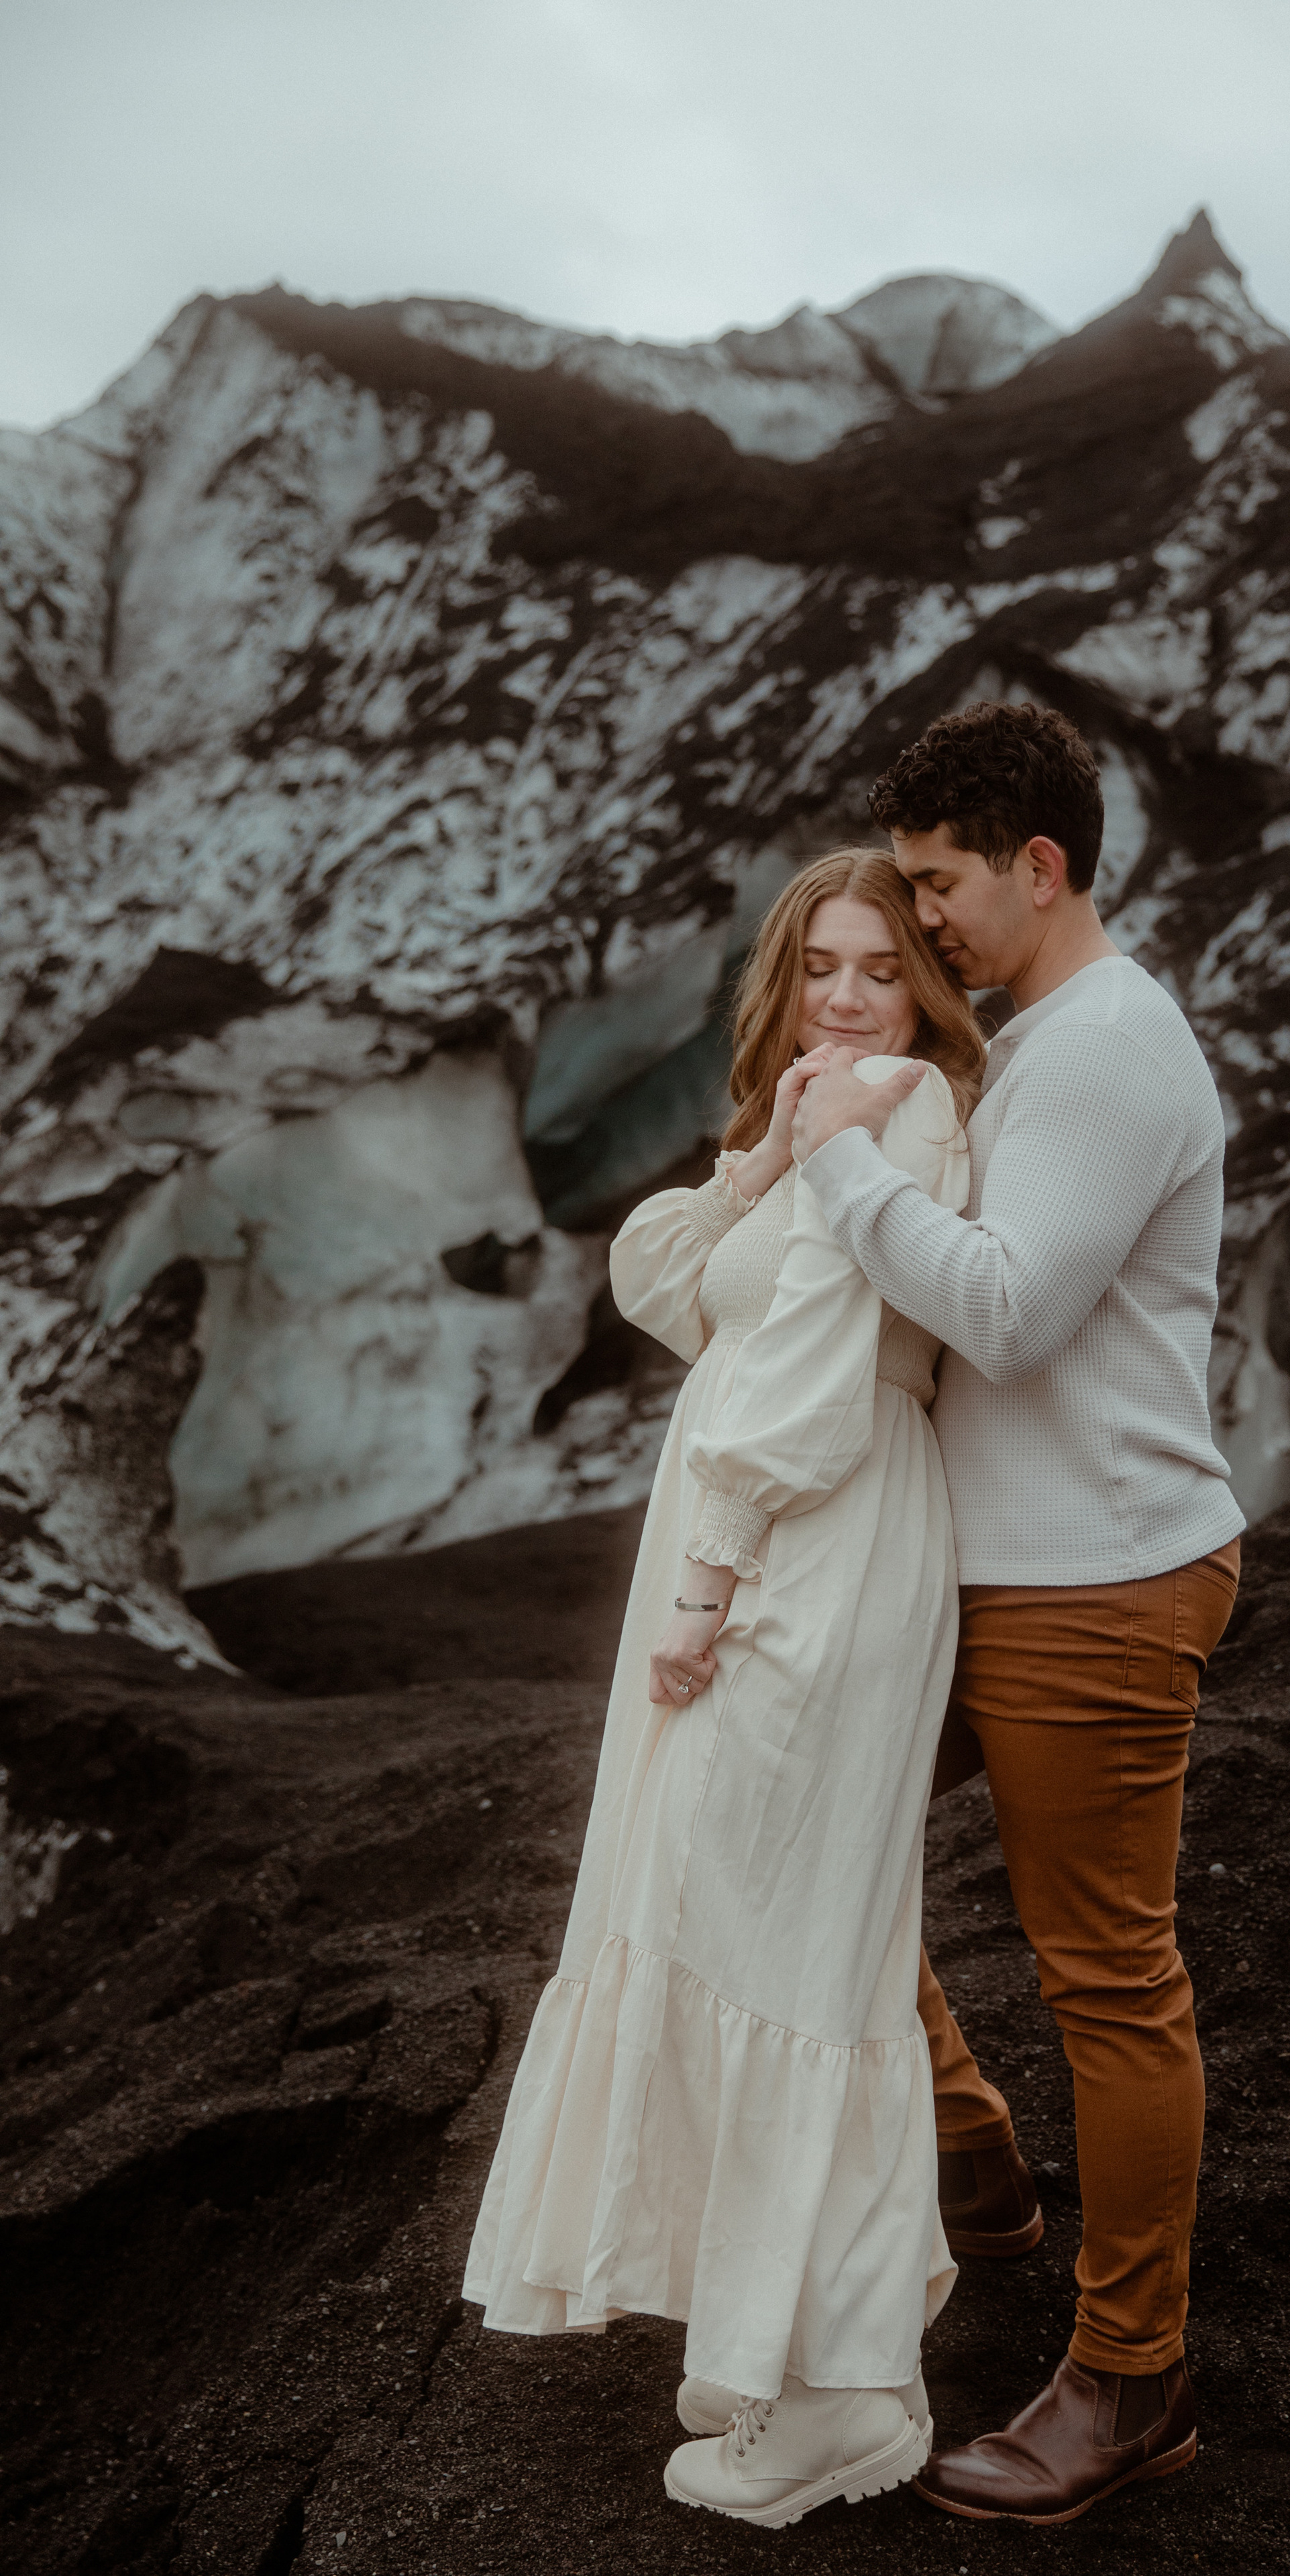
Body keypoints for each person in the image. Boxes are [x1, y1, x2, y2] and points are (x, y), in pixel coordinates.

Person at [464, 848, 986, 2529]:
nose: (845, 996)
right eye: (820, 965)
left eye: (881, 967)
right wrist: (759, 1155)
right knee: (729, 1911)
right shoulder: (817, 1110)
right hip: (761, 1534)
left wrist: (708, 1581)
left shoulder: (897, 1110)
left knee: (789, 1941)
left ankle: (847, 2395)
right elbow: (673, 1291)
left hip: (807, 1551)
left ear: (926, 985)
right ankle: (789, 2351)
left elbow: (822, 1371)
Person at [792, 699, 1245, 2526]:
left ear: (1038, 869)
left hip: (1098, 1579)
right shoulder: (1036, 1036)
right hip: (987, 1575)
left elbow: (1009, 1311)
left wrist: (835, 1161)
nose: (921, 921)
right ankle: (977, 2159)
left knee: (1110, 1982)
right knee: (806, 1833)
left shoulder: (1112, 1047)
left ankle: (1132, 2384)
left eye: (938, 884)